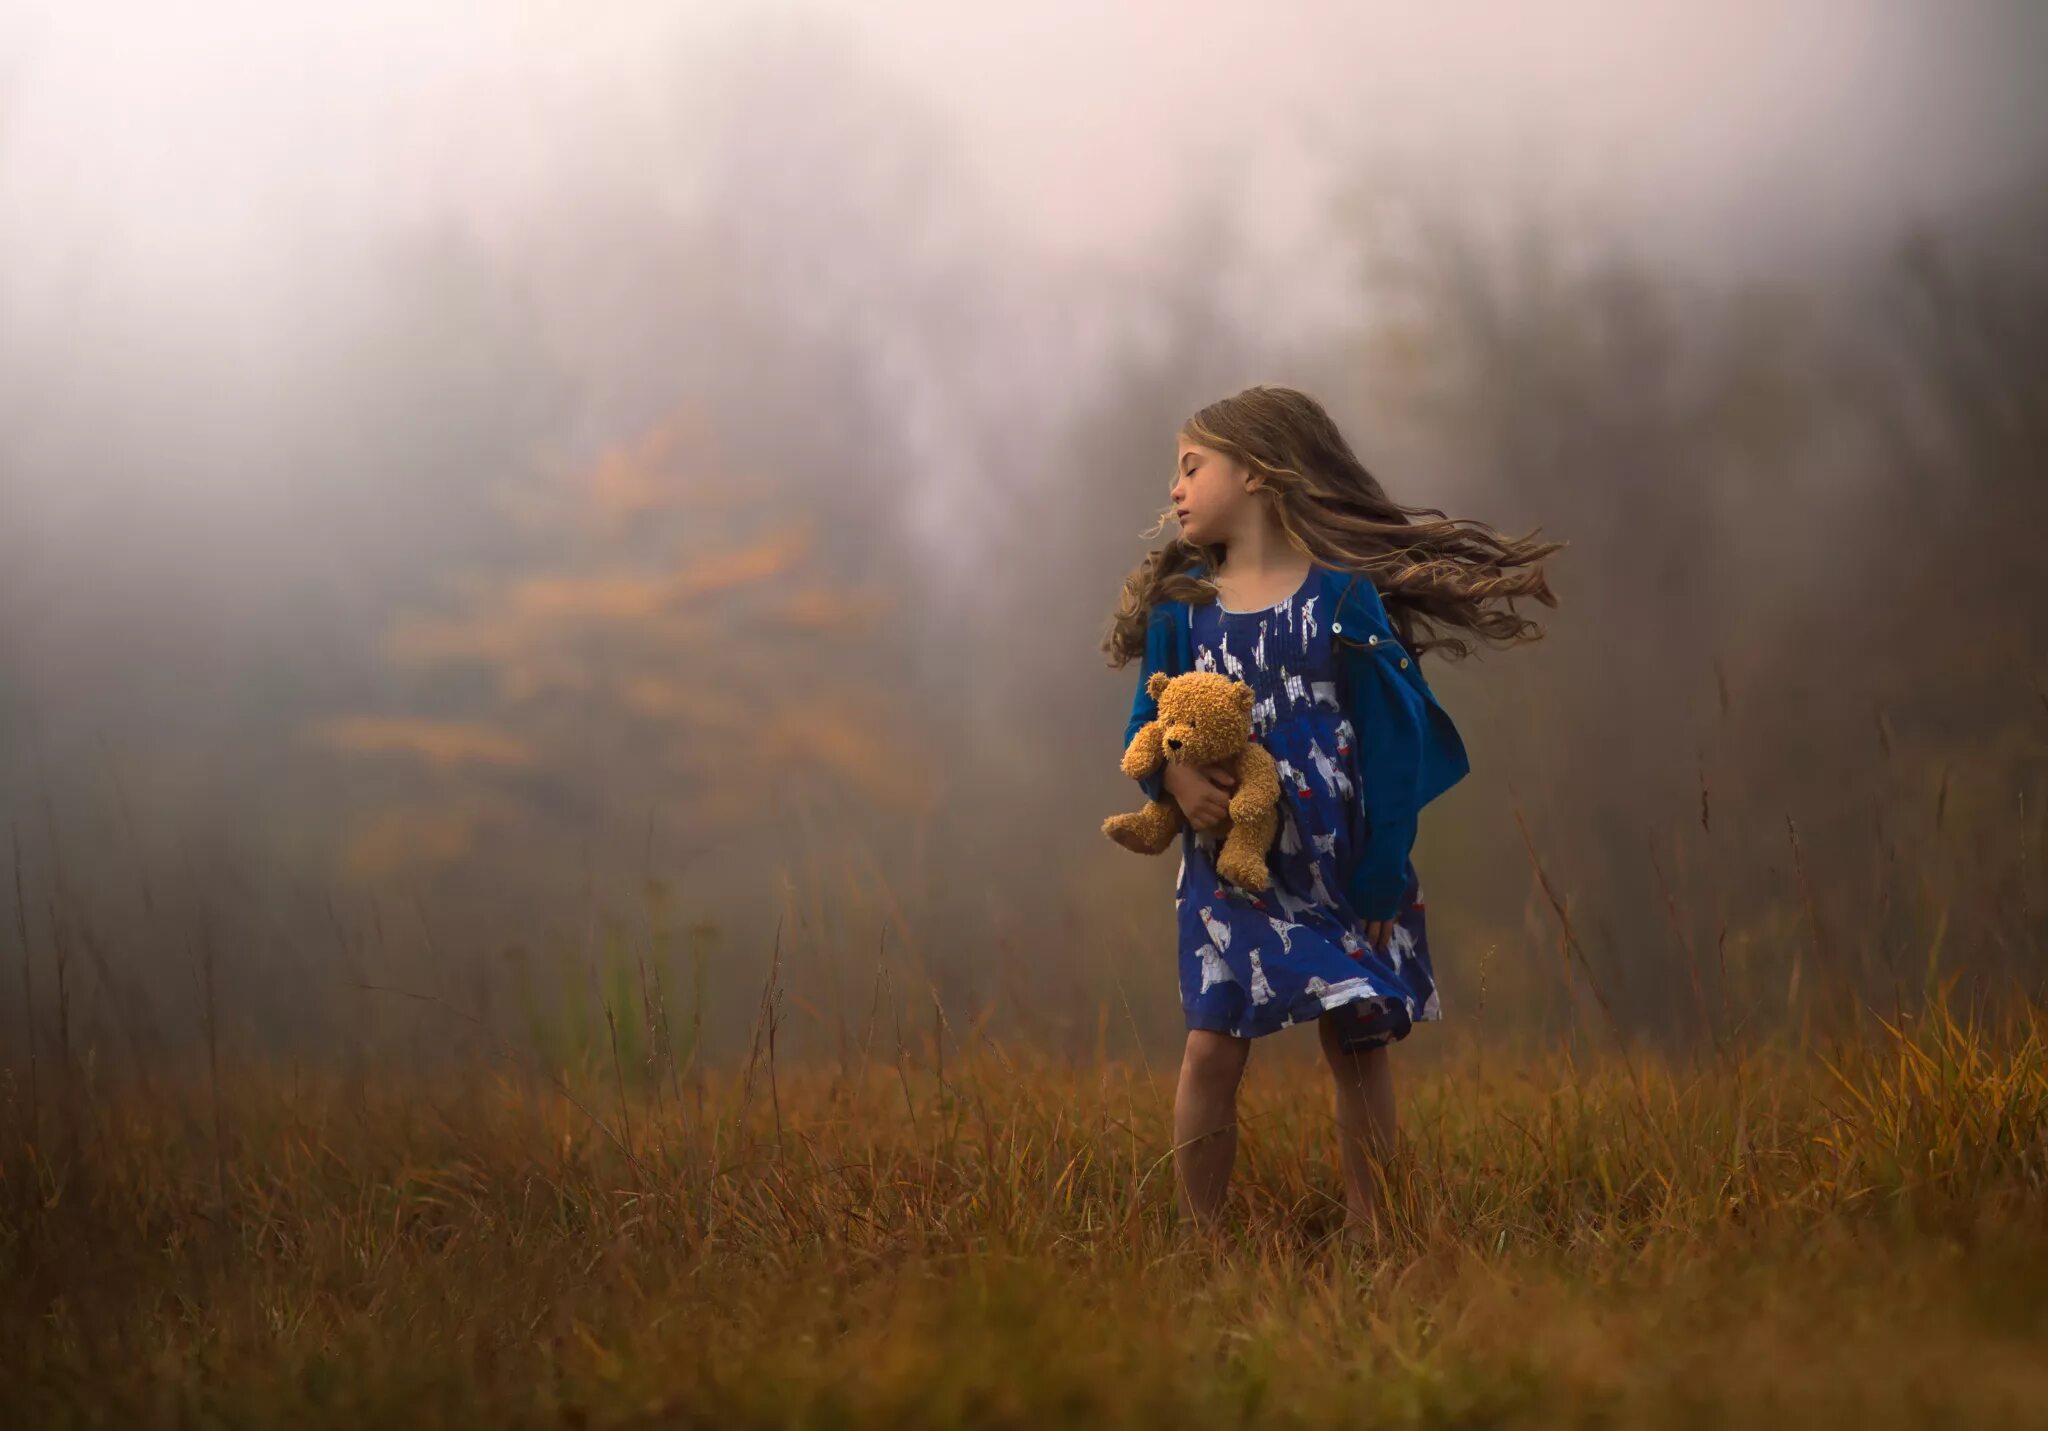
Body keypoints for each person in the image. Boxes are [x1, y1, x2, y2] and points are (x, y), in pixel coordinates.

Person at [1102, 384, 1562, 1246]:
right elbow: (1146, 727)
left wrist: (1385, 860)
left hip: (1340, 862)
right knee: (1211, 1047)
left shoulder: (1342, 600)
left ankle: (1372, 1231)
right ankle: (1198, 1239)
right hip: (1228, 869)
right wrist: (1171, 787)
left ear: (1260, 472)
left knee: (1358, 1046)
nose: (1174, 488)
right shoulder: (1182, 613)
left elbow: (1392, 741)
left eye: (1192, 466)